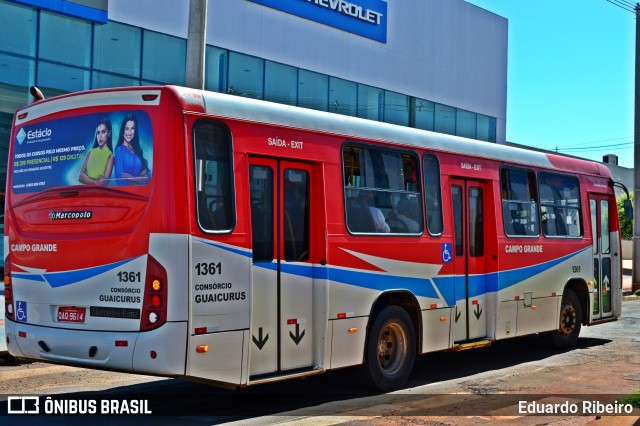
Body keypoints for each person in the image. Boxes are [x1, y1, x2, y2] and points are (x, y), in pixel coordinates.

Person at [114, 114, 150, 185]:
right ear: (122, 131)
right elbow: (120, 181)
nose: (129, 132)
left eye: (132, 128)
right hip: (128, 194)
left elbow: (148, 177)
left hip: (142, 193)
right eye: (126, 128)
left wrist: (131, 178)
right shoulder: (119, 151)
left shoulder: (138, 149)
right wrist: (139, 179)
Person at [78, 117, 114, 185]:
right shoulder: (91, 152)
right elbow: (80, 177)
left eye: (103, 132)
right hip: (87, 193)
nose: (100, 136)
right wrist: (95, 181)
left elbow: (103, 183)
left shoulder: (110, 156)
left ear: (109, 133)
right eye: (98, 133)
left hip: (99, 194)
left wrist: (87, 178)